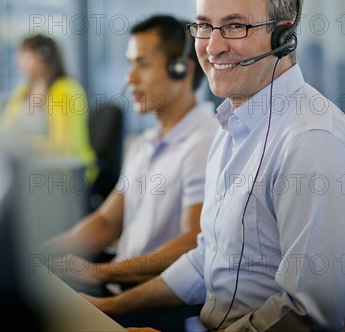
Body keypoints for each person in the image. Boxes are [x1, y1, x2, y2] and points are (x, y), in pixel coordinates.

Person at [84, 0, 345, 332]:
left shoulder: (312, 142)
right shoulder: (231, 128)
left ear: (283, 36)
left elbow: (305, 317)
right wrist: (111, 309)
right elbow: (208, 257)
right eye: (204, 25)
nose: (212, 46)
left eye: (235, 26)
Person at [43, 15, 218, 296]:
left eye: (142, 64)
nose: (130, 78)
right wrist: (41, 255)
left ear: (180, 70)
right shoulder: (144, 143)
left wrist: (102, 272)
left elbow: (193, 243)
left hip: (152, 304)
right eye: (130, 64)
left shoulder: (204, 142)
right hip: (118, 288)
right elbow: (107, 221)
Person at [2, 34, 97, 181]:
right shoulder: (23, 91)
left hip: (66, 173)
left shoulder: (66, 90)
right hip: (32, 169)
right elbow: (6, 131)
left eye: (24, 55)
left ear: (42, 56)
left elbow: (63, 145)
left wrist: (22, 144)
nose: (18, 61)